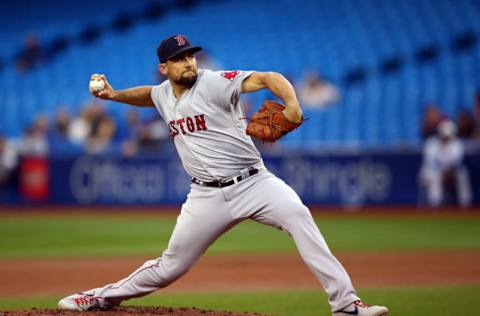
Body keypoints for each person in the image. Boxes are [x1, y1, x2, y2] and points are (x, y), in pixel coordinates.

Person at [58, 34, 389, 316]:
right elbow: (150, 95)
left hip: (255, 183)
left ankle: (346, 305)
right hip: (205, 196)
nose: (188, 62)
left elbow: (267, 77)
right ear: (165, 68)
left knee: (299, 216)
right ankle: (100, 296)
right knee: (170, 266)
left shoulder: (215, 82)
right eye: (179, 59)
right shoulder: (162, 94)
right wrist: (115, 95)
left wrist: (290, 102)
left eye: (190, 56)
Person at [419, 120, 472, 207]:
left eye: (448, 136)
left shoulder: (456, 143)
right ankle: (435, 205)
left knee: (463, 174)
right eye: (444, 135)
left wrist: (448, 170)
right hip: (433, 170)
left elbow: (457, 160)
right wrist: (442, 170)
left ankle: (465, 205)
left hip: (452, 170)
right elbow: (430, 161)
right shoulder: (432, 143)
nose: (446, 138)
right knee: (434, 176)